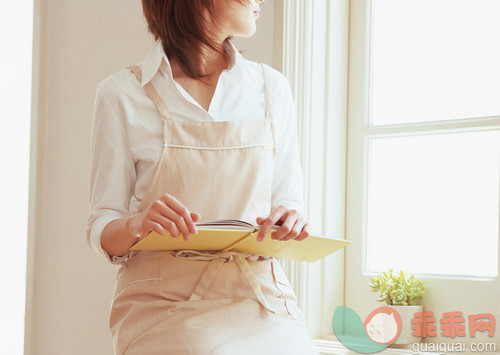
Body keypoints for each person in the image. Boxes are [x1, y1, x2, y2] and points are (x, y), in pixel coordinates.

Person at [86, 0, 319, 354]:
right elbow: (101, 225)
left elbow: (288, 201)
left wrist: (291, 219)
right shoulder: (122, 93)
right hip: (163, 305)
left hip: (260, 299)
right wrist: (137, 225)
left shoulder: (271, 88)